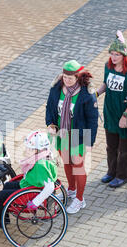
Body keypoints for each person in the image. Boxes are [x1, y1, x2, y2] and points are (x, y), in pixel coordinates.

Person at [46, 60, 99, 214]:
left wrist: (90, 141)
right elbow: (50, 108)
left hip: (78, 136)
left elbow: (92, 120)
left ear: (78, 77)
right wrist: (50, 124)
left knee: (78, 167)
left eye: (70, 78)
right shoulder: (56, 88)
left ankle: (80, 200)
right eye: (65, 77)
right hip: (61, 133)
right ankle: (71, 190)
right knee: (67, 163)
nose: (66, 81)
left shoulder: (86, 95)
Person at [0, 131, 58, 230]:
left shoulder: (41, 165)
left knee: (2, 195)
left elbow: (50, 187)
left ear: (38, 150)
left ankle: (1, 219)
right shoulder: (45, 155)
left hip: (30, 192)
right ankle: (3, 214)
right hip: (29, 184)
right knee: (7, 186)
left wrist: (36, 202)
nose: (26, 150)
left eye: (29, 148)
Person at [96, 31, 127, 188]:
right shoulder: (108, 67)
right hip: (110, 112)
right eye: (112, 54)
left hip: (124, 113)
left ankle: (123, 175)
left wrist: (126, 115)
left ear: (124, 55)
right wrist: (96, 94)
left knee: (125, 146)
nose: (114, 57)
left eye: (117, 54)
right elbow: (106, 84)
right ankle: (111, 171)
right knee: (111, 145)